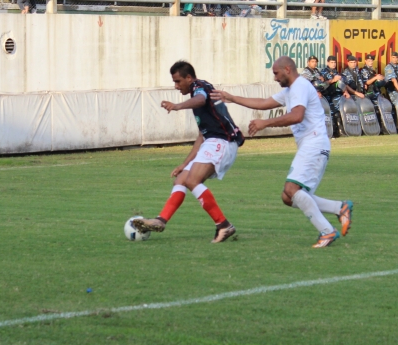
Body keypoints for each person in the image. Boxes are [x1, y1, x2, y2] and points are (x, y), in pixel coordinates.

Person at [212, 56, 352, 248]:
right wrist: (231, 98)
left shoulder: (300, 87)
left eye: (276, 73)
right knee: (288, 197)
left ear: (287, 69)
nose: (275, 78)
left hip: (314, 143)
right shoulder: (290, 90)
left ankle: (327, 231)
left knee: (292, 190)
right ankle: (339, 208)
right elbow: (263, 102)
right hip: (311, 145)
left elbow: (297, 116)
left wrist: (265, 123)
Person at [132, 61, 242, 243]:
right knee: (182, 179)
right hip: (213, 141)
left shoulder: (199, 88)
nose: (176, 86)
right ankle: (161, 220)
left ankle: (223, 225)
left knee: (193, 180)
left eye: (178, 81)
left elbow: (201, 99)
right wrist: (184, 164)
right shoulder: (200, 93)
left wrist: (176, 106)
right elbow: (201, 136)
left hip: (222, 141)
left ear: (189, 78)